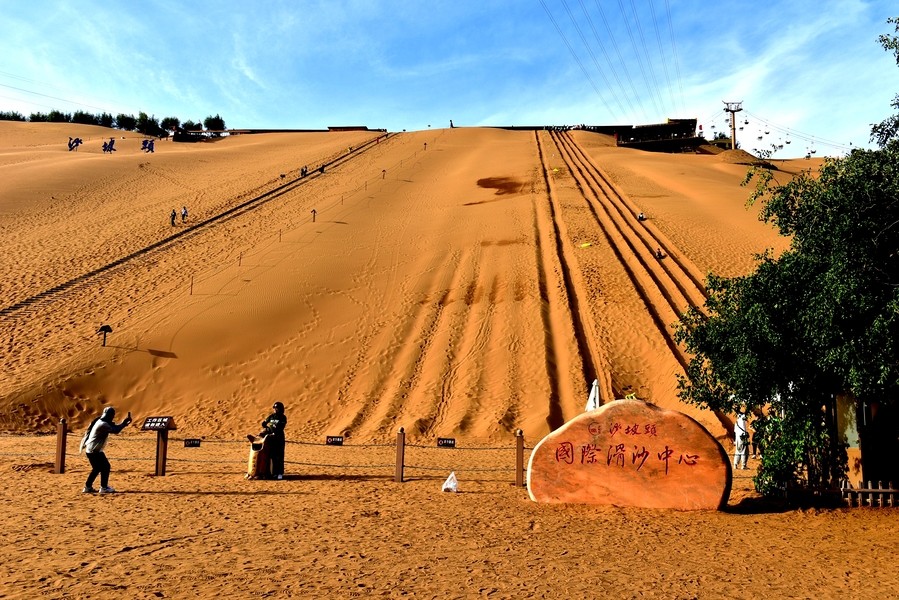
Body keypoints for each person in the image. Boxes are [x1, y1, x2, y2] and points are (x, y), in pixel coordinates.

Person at [80, 407, 132, 493]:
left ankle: (87, 487)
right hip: (95, 451)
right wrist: (124, 424)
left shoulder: (100, 421)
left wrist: (124, 423)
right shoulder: (103, 424)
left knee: (96, 468)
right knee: (106, 467)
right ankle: (103, 487)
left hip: (91, 450)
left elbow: (114, 427)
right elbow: (116, 430)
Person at [248, 402, 287, 479]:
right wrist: (267, 429)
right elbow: (264, 423)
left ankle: (280, 473)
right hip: (271, 438)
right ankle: (273, 473)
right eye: (274, 408)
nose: (275, 410)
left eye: (277, 408)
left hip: (279, 438)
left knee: (279, 456)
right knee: (272, 456)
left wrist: (274, 432)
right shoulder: (272, 416)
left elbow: (281, 427)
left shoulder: (283, 417)